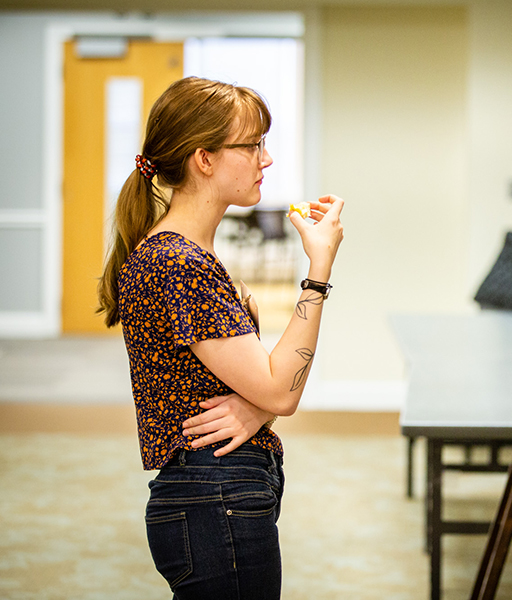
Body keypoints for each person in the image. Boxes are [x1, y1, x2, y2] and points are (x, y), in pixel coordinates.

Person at [96, 76, 344, 598]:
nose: (266, 159)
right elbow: (281, 389)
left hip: (217, 492)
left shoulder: (187, 258)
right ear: (203, 159)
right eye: (251, 145)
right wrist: (318, 271)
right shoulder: (178, 263)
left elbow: (261, 392)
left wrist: (260, 409)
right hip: (214, 496)